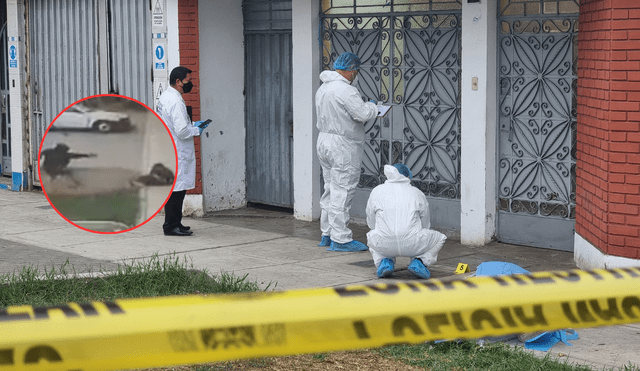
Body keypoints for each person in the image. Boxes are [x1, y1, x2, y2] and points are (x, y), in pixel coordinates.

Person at [315, 52, 378, 252]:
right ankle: (340, 239)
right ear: (351, 71)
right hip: (342, 145)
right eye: (356, 71)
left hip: (324, 141)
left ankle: (327, 233)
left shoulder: (323, 88)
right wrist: (374, 107)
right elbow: (361, 114)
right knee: (343, 190)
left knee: (330, 188)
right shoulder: (346, 90)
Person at [365, 163, 447, 279]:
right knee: (440, 238)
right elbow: (425, 222)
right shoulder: (416, 193)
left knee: (372, 236)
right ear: (407, 176)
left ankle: (384, 262)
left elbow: (371, 220)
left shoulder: (377, 191)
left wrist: (380, 231)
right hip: (412, 243)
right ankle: (419, 261)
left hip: (384, 244)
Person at [156, 66, 209, 236]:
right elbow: (182, 131)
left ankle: (175, 222)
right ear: (178, 81)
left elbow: (176, 124)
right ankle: (171, 226)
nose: (190, 84)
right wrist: (196, 130)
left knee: (175, 189)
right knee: (177, 191)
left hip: (170, 147)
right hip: (177, 149)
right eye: (188, 80)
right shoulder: (176, 101)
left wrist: (193, 125)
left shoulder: (165, 96)